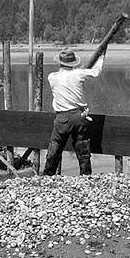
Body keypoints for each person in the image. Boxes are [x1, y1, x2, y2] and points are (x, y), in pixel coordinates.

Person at [42, 48, 105, 176]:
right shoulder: (79, 74)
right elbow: (96, 72)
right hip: (79, 116)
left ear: (60, 62)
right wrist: (101, 58)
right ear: (73, 63)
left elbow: (68, 76)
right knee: (83, 150)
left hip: (62, 118)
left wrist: (79, 70)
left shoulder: (52, 77)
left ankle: (48, 175)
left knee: (55, 147)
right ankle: (85, 176)